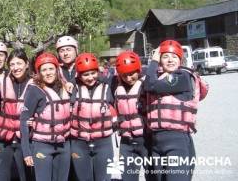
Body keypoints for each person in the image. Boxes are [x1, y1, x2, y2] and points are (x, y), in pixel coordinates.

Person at [144, 40, 208, 181]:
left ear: (180, 59)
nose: (170, 60)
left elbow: (150, 85)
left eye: (174, 56)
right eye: (165, 56)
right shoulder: (158, 77)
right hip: (156, 142)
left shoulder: (183, 77)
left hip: (177, 142)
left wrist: (153, 62)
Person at [20, 52, 71, 181]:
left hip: (64, 145)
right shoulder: (34, 90)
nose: (48, 73)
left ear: (56, 69)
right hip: (42, 145)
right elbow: (24, 121)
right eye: (44, 70)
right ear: (39, 72)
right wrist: (26, 152)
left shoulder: (65, 88)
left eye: (51, 68)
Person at [70, 53, 115, 181]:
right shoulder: (72, 89)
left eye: (93, 73)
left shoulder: (107, 87)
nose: (90, 78)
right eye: (85, 74)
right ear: (79, 75)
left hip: (103, 143)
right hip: (79, 143)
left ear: (98, 71)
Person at [0, 48, 32, 181]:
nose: (16, 68)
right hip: (2, 139)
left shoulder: (36, 84)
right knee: (1, 177)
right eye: (12, 64)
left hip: (25, 139)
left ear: (26, 64)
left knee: (25, 177)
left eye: (19, 63)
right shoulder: (0, 82)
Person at [114, 51, 149, 181]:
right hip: (126, 142)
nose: (128, 78)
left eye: (131, 74)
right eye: (124, 75)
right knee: (128, 178)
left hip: (146, 140)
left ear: (139, 70)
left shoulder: (147, 85)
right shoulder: (115, 87)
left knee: (153, 176)